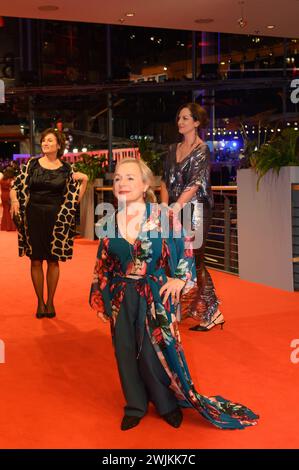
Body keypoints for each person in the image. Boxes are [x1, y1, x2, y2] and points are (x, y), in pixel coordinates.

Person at [89, 158, 259, 431]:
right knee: (125, 351)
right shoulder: (108, 221)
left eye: (130, 178)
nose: (122, 183)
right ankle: (135, 405)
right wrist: (99, 299)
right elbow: (103, 265)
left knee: (160, 352)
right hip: (121, 296)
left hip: (156, 294)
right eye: (118, 178)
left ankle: (166, 403)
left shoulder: (163, 216)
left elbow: (186, 248)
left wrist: (181, 279)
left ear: (145, 185)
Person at [10, 128, 88, 319]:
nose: (45, 143)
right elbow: (15, 186)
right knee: (35, 259)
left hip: (56, 218)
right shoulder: (31, 164)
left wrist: (84, 181)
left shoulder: (66, 169)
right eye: (44, 140)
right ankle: (40, 302)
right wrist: (14, 201)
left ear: (59, 145)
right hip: (33, 215)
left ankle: (51, 301)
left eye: (49, 140)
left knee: (53, 261)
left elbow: (73, 201)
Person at [160, 103, 223, 331]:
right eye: (179, 118)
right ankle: (192, 309)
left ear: (196, 122)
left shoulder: (201, 149)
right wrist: (165, 207)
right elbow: (165, 181)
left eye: (186, 118)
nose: (180, 122)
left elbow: (196, 183)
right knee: (173, 257)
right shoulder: (171, 149)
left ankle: (210, 311)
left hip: (196, 209)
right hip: (174, 208)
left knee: (194, 259)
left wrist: (176, 206)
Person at [0, 167, 16, 231]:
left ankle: (4, 226)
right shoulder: (11, 180)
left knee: (5, 210)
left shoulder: (2, 179)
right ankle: (9, 227)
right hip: (9, 195)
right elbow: (12, 189)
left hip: (3, 195)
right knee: (9, 211)